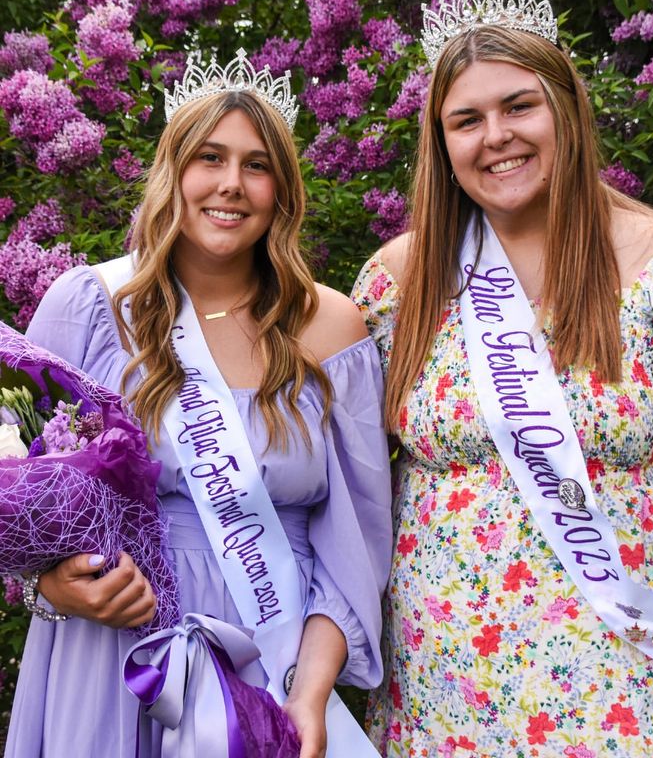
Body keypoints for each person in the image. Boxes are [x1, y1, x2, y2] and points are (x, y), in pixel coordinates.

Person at [352, 0, 653, 758]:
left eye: (519, 106)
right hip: (441, 695)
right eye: (467, 119)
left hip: (627, 692)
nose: (496, 136)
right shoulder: (398, 282)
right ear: (441, 141)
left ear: (567, 110)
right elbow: (345, 482)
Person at [6, 51, 392, 758]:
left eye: (256, 165)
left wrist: (308, 695)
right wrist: (51, 587)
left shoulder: (331, 327)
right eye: (209, 158)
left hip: (272, 668)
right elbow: (17, 478)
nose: (231, 185)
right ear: (172, 174)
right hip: (112, 656)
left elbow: (356, 547)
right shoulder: (89, 306)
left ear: (282, 189)